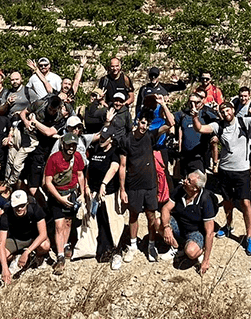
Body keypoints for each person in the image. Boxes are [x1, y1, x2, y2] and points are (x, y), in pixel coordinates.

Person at [193, 99, 251, 253]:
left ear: (233, 110)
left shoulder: (244, 122)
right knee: (227, 201)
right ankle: (228, 224)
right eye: (223, 111)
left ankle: (249, 236)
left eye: (228, 110)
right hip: (226, 170)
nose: (226, 113)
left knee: (245, 203)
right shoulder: (218, 126)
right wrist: (195, 117)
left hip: (243, 170)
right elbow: (199, 128)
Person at [119, 97, 174, 264]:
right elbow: (122, 166)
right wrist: (122, 189)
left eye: (147, 124)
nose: (144, 127)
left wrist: (163, 104)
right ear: (137, 121)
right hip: (133, 184)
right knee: (133, 215)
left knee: (151, 215)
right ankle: (133, 245)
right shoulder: (126, 139)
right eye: (142, 123)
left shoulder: (150, 136)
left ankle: (151, 245)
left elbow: (170, 123)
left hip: (150, 183)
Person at [43, 132, 87, 274]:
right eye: (69, 145)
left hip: (72, 193)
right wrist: (59, 198)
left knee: (68, 222)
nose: (71, 148)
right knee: (58, 224)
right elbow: (48, 181)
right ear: (63, 144)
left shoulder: (78, 157)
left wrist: (82, 193)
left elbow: (80, 175)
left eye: (73, 145)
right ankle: (60, 254)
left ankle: (65, 244)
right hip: (58, 194)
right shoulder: (54, 159)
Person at [160, 169, 216, 274]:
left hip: (195, 231)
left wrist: (206, 260)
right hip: (180, 224)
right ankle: (176, 247)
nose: (185, 181)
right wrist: (167, 227)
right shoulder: (181, 189)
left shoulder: (205, 200)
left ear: (195, 188)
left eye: (189, 181)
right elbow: (165, 209)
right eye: (186, 178)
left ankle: (200, 249)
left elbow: (209, 232)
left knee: (191, 252)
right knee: (159, 223)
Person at [84, 126, 126, 268]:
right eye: (101, 136)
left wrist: (104, 183)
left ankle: (117, 252)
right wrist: (87, 186)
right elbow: (89, 168)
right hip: (95, 194)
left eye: (104, 138)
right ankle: (104, 250)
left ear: (111, 139)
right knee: (100, 223)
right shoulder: (95, 149)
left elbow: (114, 168)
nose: (101, 140)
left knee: (113, 223)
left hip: (109, 194)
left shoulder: (114, 152)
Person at [0, 190, 51, 285]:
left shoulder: (35, 208)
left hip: (33, 237)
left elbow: (43, 234)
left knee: (45, 245)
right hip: (16, 239)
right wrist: (4, 269)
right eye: (16, 206)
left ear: (27, 203)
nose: (19, 209)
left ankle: (37, 257)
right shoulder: (6, 215)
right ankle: (13, 259)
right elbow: (1, 244)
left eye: (22, 206)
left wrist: (27, 252)